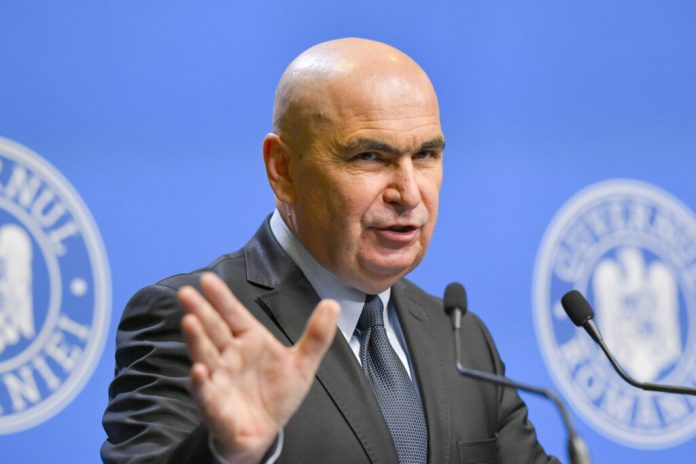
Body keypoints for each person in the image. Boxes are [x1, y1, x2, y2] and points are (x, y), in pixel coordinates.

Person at [101, 38, 557, 464]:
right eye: (369, 157)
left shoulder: (462, 338)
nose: (408, 193)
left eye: (425, 155)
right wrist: (229, 452)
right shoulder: (198, 324)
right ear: (283, 170)